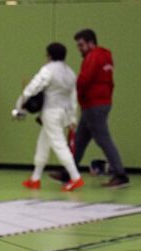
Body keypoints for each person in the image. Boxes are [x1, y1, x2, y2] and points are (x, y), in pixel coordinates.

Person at [50, 29, 129, 188]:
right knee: (79, 141)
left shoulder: (93, 57)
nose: (79, 49)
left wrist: (70, 94)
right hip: (98, 104)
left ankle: (120, 175)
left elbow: (84, 80)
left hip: (94, 105)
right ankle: (68, 173)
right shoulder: (105, 57)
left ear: (91, 43)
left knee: (103, 140)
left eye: (81, 45)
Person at [13, 43, 83, 192]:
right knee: (43, 143)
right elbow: (73, 97)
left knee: (59, 144)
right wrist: (73, 118)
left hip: (51, 112)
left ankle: (75, 177)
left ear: (49, 55)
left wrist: (19, 105)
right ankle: (35, 178)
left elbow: (33, 88)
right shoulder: (70, 72)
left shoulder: (48, 70)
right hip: (64, 113)